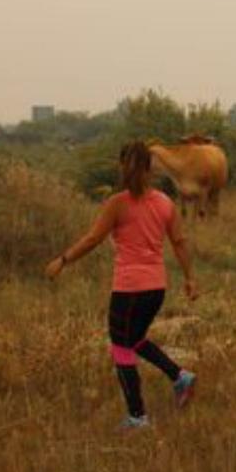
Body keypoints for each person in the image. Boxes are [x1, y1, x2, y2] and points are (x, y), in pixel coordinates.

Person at [46, 141, 198, 429]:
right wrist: (190, 278)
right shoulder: (166, 203)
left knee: (121, 347)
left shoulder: (116, 204)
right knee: (135, 338)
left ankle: (137, 416)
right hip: (156, 289)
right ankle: (180, 377)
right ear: (150, 168)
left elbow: (92, 239)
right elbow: (179, 242)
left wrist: (63, 260)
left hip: (129, 289)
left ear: (121, 166)